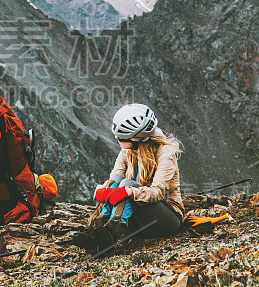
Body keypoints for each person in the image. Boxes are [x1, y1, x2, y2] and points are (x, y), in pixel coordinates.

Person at [71, 103, 184, 254]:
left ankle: (110, 235)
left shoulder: (165, 153)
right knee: (116, 183)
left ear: (137, 138)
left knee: (126, 185)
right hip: (140, 218)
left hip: (166, 220)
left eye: (122, 136)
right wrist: (105, 190)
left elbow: (158, 192)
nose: (116, 138)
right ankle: (95, 230)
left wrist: (130, 192)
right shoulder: (127, 150)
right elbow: (114, 178)